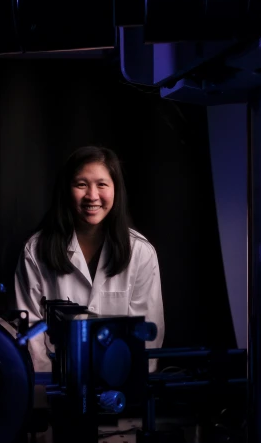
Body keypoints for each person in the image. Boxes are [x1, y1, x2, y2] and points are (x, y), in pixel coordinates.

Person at [14, 146, 165, 372]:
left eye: (102, 184)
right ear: (67, 189)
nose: (92, 196)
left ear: (116, 190)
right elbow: (30, 329)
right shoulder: (35, 250)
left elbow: (148, 332)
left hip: (120, 380)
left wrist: (127, 389)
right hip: (55, 381)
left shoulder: (141, 252)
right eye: (81, 184)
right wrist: (47, 393)